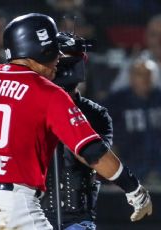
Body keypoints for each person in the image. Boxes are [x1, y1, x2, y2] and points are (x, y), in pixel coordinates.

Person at [0, 13, 151, 230]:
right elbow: (91, 151)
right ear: (40, 49)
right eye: (54, 51)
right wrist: (133, 188)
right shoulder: (47, 92)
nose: (58, 58)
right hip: (13, 205)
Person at [40, 32, 109, 230]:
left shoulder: (96, 114)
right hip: (35, 213)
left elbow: (95, 158)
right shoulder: (31, 105)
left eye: (70, 59)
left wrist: (66, 116)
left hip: (78, 217)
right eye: (60, 58)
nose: (63, 65)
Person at [103, 57, 161, 189]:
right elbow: (106, 135)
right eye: (139, 74)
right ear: (131, 77)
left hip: (160, 168)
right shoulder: (116, 101)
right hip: (128, 168)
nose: (144, 79)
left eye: (148, 74)